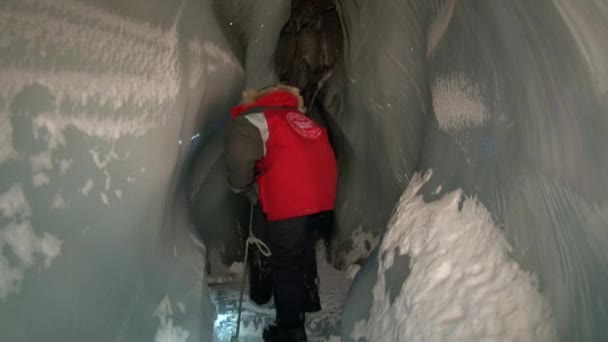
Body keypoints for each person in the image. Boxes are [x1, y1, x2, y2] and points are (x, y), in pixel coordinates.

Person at [224, 84, 338, 342]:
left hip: (292, 198)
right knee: (301, 251)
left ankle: (290, 330)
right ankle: (305, 299)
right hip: (322, 197)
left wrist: (240, 183)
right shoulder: (299, 119)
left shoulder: (257, 117)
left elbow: (240, 152)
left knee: (286, 261)